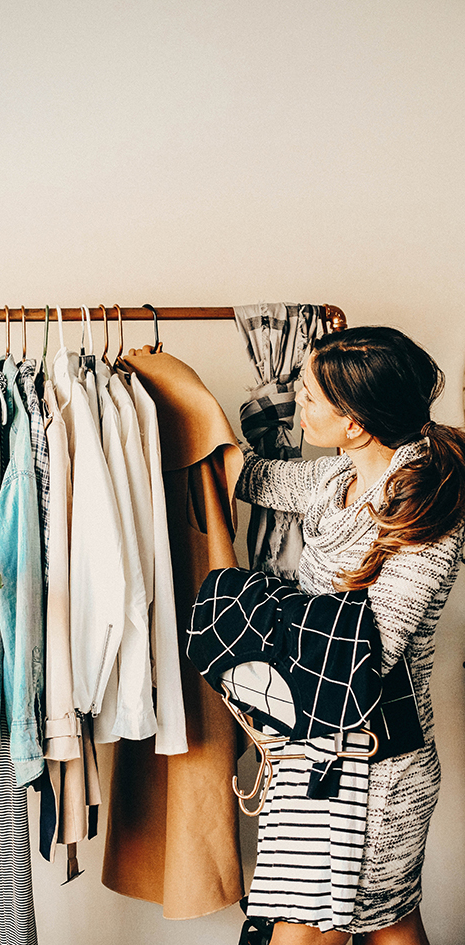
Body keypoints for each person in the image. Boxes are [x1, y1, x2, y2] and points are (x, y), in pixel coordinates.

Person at [234, 326, 465, 945]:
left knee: (313, 932)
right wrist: (180, 416)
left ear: (356, 423)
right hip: (319, 750)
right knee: (391, 924)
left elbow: (371, 650)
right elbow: (256, 480)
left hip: (378, 766)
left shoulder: (428, 508)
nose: (298, 406)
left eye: (309, 398)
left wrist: (257, 623)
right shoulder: (336, 479)